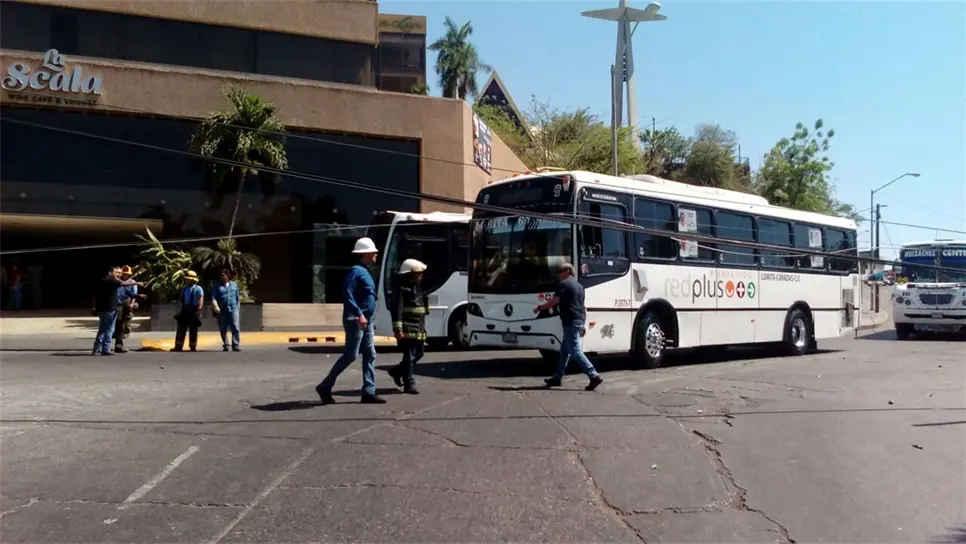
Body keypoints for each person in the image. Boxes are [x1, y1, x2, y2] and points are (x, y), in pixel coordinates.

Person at [315, 237, 385, 404]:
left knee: (370, 354)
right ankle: (325, 385)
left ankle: (369, 391)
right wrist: (359, 314)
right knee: (351, 355)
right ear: (366, 254)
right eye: (373, 252)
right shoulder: (356, 271)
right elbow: (347, 293)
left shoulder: (365, 271)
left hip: (364, 320)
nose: (376, 254)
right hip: (355, 319)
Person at [534, 262, 603, 391]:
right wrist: (583, 323)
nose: (558, 274)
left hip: (570, 321)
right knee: (564, 352)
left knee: (575, 352)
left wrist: (540, 307)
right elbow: (583, 307)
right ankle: (557, 378)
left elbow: (554, 301)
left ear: (567, 271)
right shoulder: (579, 286)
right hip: (578, 320)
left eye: (560, 271)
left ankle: (593, 375)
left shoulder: (564, 285)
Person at [387, 259, 430, 395]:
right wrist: (398, 329)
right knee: (409, 356)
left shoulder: (417, 287)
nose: (421, 276)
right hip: (408, 327)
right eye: (418, 274)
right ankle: (409, 383)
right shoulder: (401, 289)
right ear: (410, 274)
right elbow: (397, 309)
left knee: (419, 353)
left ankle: (397, 371)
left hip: (418, 327)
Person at [93, 267, 143, 356]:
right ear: (110, 272)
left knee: (103, 329)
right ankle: (105, 349)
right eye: (116, 272)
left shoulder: (105, 280)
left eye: (120, 273)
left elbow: (126, 292)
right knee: (109, 329)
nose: (119, 275)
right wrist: (136, 283)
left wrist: (138, 295)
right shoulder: (110, 280)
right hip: (109, 308)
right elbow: (123, 283)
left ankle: (98, 349)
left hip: (105, 308)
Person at [113, 265, 144, 354]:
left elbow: (132, 293)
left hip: (126, 303)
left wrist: (132, 302)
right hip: (118, 304)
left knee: (124, 323)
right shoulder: (118, 281)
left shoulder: (130, 282)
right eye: (124, 274)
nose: (125, 275)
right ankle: (117, 345)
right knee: (118, 325)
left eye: (127, 274)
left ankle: (119, 343)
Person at [172, 270, 204, 352]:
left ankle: (193, 346)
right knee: (181, 329)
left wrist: (199, 309)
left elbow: (201, 299)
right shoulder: (185, 289)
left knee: (193, 330)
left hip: (194, 310)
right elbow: (181, 300)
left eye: (187, 279)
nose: (186, 280)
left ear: (192, 280)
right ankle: (178, 346)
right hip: (185, 310)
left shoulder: (198, 289)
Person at [212, 269, 241, 352]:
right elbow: (213, 298)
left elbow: (237, 298)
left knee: (235, 326)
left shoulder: (234, 285)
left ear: (227, 276)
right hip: (222, 310)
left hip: (233, 309)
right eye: (221, 275)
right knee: (223, 327)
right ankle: (226, 345)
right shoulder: (217, 286)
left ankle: (235, 345)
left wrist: (238, 308)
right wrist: (216, 306)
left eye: (224, 275)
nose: (222, 277)